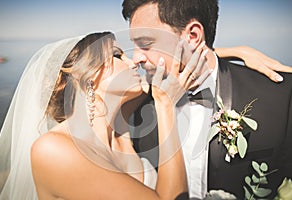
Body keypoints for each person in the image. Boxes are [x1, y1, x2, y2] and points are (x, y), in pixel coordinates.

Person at [0, 31, 215, 199]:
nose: (133, 62)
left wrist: (238, 53)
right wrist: (165, 105)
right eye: (118, 55)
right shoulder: (52, 148)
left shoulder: (122, 119)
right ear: (89, 75)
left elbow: (169, 63)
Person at [122, 0, 292, 199]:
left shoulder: (280, 96)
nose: (136, 59)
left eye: (146, 44)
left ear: (193, 36)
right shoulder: (134, 111)